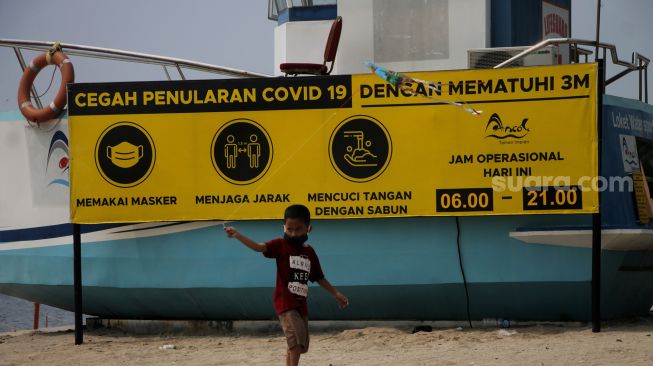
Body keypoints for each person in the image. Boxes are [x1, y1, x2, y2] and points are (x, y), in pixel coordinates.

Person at [223, 204, 349, 366]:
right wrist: (237, 235)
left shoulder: (309, 252)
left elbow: (319, 277)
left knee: (300, 345)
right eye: (289, 229)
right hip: (286, 303)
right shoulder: (280, 245)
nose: (294, 233)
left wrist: (335, 293)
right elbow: (259, 247)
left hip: (301, 305)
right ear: (283, 227)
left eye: (298, 229)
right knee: (295, 343)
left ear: (309, 228)